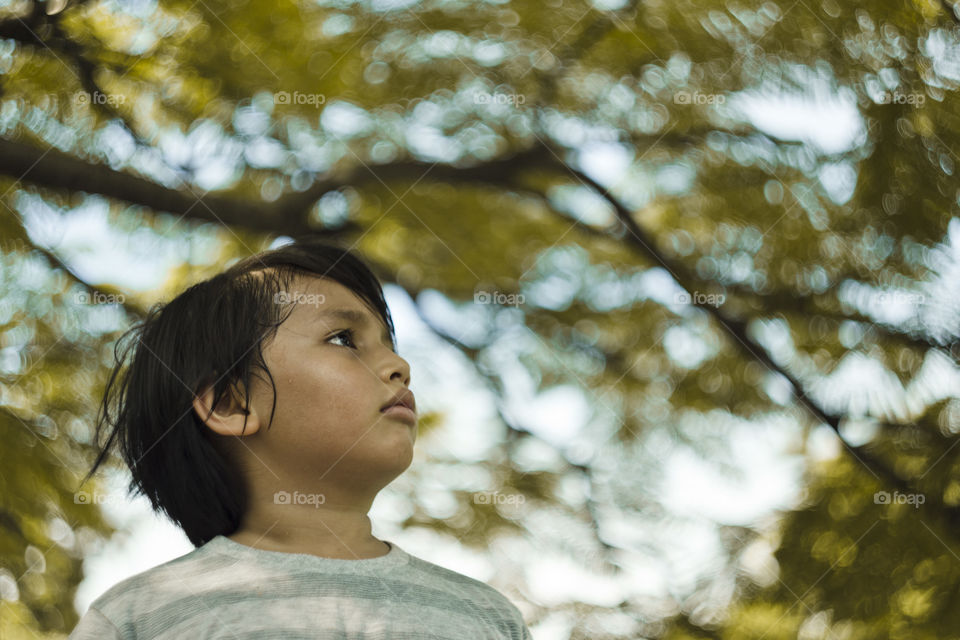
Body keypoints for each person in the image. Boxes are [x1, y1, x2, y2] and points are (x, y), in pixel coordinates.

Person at [68, 237, 533, 639]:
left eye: (391, 345)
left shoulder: (489, 618)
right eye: (343, 339)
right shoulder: (137, 619)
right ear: (232, 404)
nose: (399, 366)